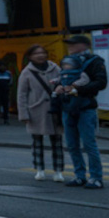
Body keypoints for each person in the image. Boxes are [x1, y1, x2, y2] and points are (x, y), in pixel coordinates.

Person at [57, 35, 107, 189]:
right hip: (68, 108)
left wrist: (78, 88)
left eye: (73, 44)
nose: (69, 46)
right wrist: (58, 87)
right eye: (68, 44)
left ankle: (96, 177)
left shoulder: (95, 61)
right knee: (72, 145)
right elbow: (61, 80)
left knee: (89, 144)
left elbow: (101, 83)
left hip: (86, 108)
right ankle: (79, 176)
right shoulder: (67, 61)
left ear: (85, 45)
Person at [16, 45, 63, 182]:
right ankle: (40, 170)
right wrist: (23, 114)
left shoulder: (56, 68)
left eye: (43, 52)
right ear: (30, 56)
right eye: (36, 53)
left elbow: (65, 82)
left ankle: (58, 171)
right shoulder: (27, 72)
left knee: (57, 142)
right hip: (36, 111)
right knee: (37, 142)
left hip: (54, 110)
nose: (40, 55)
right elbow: (22, 95)